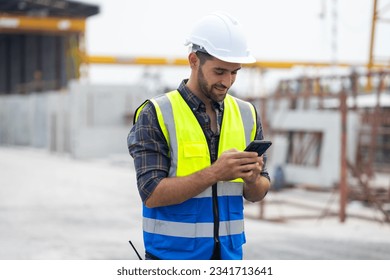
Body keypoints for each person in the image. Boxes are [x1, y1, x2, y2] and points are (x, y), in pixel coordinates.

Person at [127, 11, 270, 260]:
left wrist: (253, 179)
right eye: (219, 71)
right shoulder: (157, 113)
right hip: (171, 259)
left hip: (228, 259)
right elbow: (151, 193)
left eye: (235, 72)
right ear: (194, 61)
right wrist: (216, 172)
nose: (227, 81)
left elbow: (258, 192)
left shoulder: (247, 113)